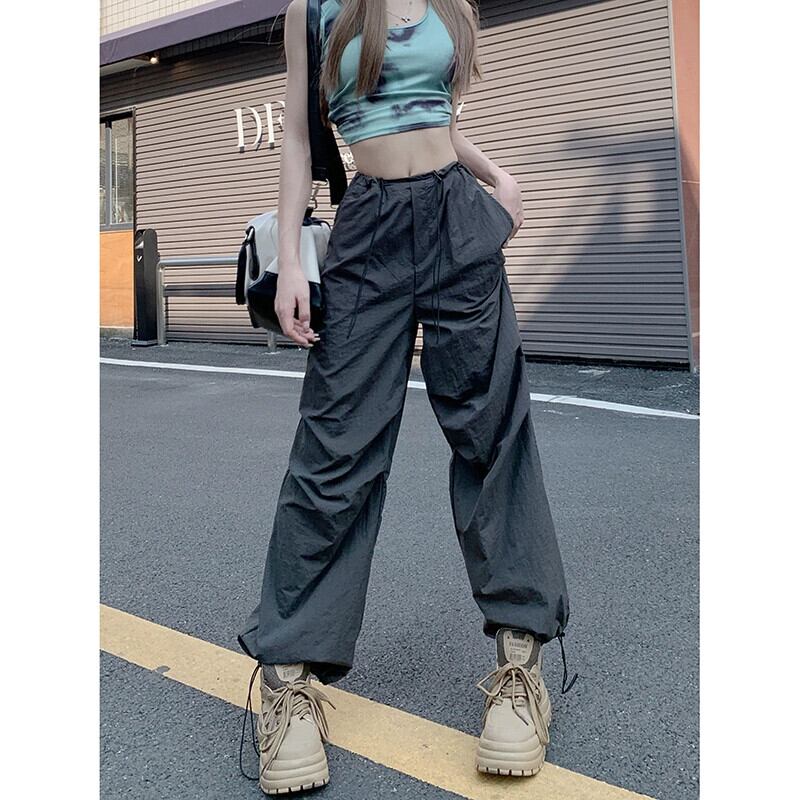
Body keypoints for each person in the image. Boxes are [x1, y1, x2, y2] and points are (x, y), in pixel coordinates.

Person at [237, 0, 573, 794]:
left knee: (492, 436)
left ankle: (520, 666)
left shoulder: (452, 4)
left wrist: (496, 178)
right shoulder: (315, 10)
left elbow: (436, 119)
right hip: (369, 229)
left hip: (458, 216)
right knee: (335, 448)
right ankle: (288, 683)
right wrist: (291, 262)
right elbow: (299, 135)